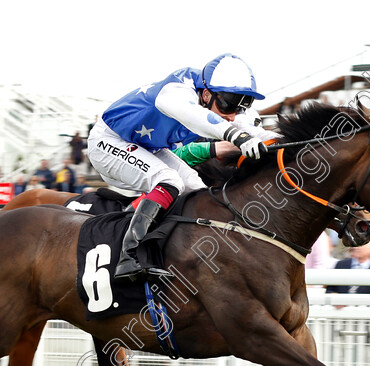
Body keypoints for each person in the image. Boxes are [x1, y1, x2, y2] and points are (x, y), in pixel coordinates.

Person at [87, 53, 276, 281]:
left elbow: (259, 132)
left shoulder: (219, 104)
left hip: (146, 147)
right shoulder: (176, 90)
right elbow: (199, 117)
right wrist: (237, 136)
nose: (232, 115)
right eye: (228, 104)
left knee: (197, 191)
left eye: (240, 107)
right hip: (109, 141)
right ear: (206, 94)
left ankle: (180, 252)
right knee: (169, 181)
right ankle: (127, 255)